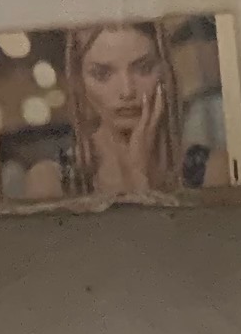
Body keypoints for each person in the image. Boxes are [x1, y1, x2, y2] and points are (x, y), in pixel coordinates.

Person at [66, 20, 181, 203]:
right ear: (80, 81)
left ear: (164, 72)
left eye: (143, 69)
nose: (127, 92)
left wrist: (139, 173)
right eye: (102, 74)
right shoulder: (50, 178)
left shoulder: (211, 167)